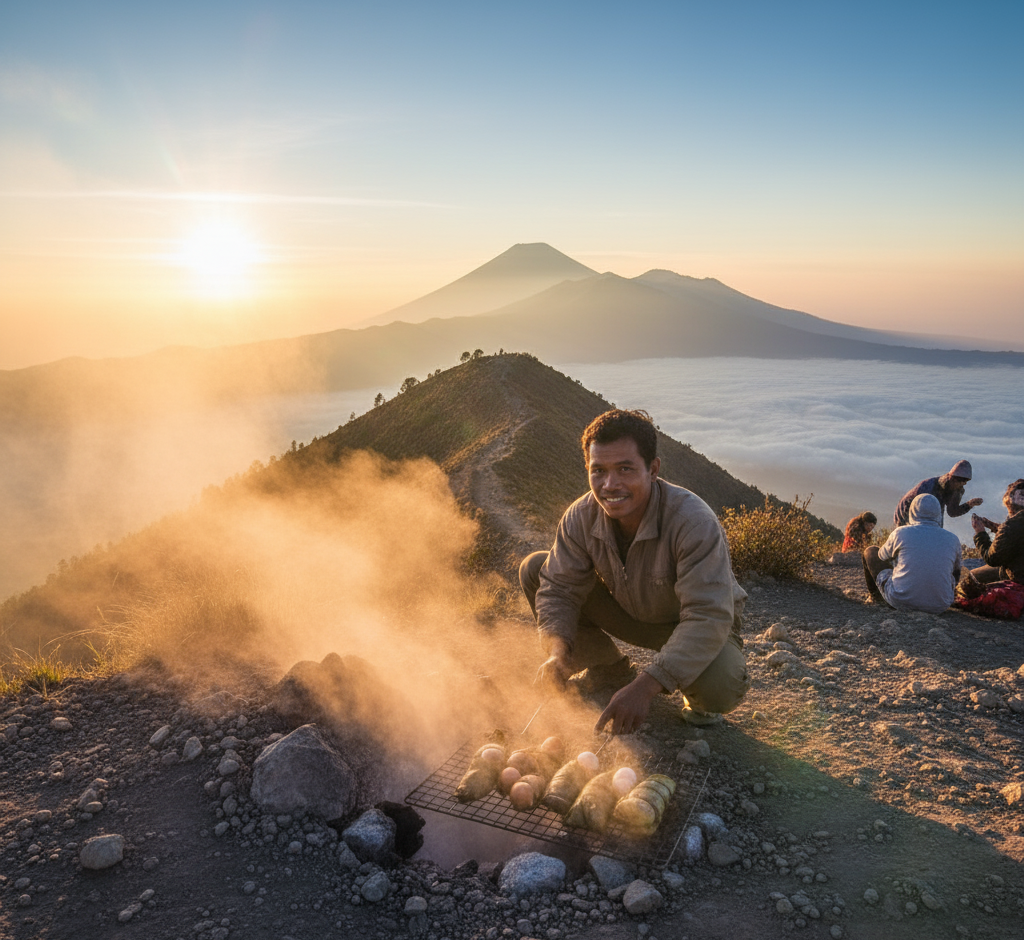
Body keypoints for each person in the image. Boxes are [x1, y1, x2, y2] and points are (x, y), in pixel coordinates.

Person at [519, 409, 749, 736]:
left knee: (720, 688)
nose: (610, 485)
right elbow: (559, 590)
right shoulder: (580, 517)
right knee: (537, 569)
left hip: (689, 623)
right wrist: (557, 655)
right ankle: (607, 667)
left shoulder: (693, 521)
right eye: (598, 471)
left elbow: (708, 615)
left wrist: (646, 687)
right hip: (628, 613)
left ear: (652, 469)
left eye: (625, 469)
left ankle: (690, 692)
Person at [863, 493, 962, 614]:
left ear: (913, 511)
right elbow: (956, 573)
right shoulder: (953, 539)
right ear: (939, 513)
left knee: (871, 551)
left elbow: (881, 556)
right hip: (940, 605)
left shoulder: (901, 532)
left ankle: (876, 598)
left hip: (900, 601)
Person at [962, 479, 1024, 591]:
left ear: (1008, 500)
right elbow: (1017, 534)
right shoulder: (1013, 526)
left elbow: (992, 559)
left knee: (971, 577)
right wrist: (994, 527)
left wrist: (980, 533)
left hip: (1019, 579)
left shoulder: (1011, 526)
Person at [893, 460, 981, 528]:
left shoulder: (957, 489)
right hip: (906, 510)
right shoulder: (928, 488)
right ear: (952, 478)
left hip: (926, 513)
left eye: (966, 481)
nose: (963, 484)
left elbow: (952, 511)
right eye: (961, 481)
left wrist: (969, 505)